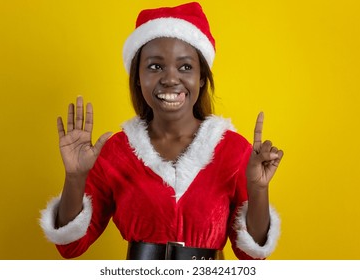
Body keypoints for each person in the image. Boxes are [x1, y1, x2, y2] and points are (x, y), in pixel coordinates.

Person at [40, 2, 283, 260]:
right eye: (155, 66)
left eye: (185, 67)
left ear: (202, 77)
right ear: (137, 77)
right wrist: (75, 178)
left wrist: (258, 191)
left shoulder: (233, 150)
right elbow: (70, 246)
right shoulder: (116, 153)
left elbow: (252, 255)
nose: (170, 78)